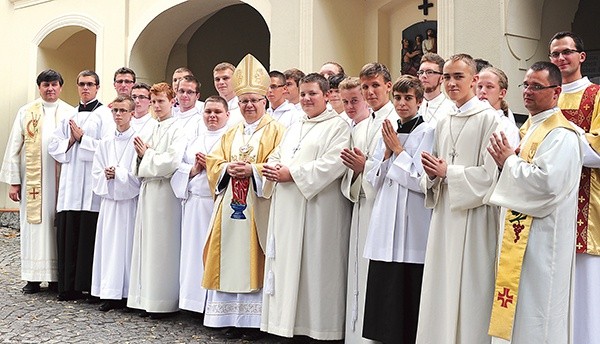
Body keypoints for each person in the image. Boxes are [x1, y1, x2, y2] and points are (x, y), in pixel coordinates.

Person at [486, 61, 581, 343]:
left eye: (537, 86)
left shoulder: (562, 135)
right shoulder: (529, 129)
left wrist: (509, 162)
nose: (528, 92)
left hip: (543, 244)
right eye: (525, 85)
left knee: (539, 313)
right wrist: (507, 165)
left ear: (556, 92)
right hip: (519, 241)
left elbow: (547, 187)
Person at [261, 73, 352, 341]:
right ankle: (285, 325)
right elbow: (278, 154)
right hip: (289, 209)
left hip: (319, 211)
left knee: (316, 269)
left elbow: (334, 163)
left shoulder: (338, 127)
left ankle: (318, 330)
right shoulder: (295, 125)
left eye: (313, 94)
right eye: (303, 94)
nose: (307, 99)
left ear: (326, 96)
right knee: (288, 268)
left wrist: (293, 174)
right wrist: (274, 166)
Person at [417, 54, 500, 344]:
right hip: (444, 216)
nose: (451, 83)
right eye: (448, 77)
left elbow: (491, 177)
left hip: (474, 218)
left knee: (470, 287)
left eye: (458, 77)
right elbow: (435, 169)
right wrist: (431, 175)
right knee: (442, 283)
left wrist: (448, 171)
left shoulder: (490, 119)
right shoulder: (443, 120)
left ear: (474, 80)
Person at [202, 54, 285, 341]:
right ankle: (230, 318)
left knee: (254, 255)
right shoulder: (232, 132)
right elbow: (214, 162)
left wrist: (253, 169)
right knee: (228, 255)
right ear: (238, 103)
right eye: (244, 101)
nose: (249, 105)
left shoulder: (277, 130)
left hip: (257, 205)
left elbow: (279, 160)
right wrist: (226, 168)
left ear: (265, 101)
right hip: (230, 206)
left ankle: (254, 321)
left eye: (254, 100)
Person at [363, 75, 434, 344]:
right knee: (385, 275)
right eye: (398, 98)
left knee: (409, 279)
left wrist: (397, 151)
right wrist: (385, 157)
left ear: (419, 101)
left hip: (412, 216)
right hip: (385, 212)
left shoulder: (428, 131)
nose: (402, 104)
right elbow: (374, 178)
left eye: (408, 99)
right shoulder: (389, 128)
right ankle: (382, 334)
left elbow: (420, 180)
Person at [340, 63, 399, 343]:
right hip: (363, 203)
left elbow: (397, 163)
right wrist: (357, 169)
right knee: (358, 271)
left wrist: (366, 167)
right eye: (365, 87)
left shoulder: (395, 120)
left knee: (373, 273)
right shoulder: (368, 122)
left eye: (375, 85)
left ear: (388, 85)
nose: (370, 91)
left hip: (384, 206)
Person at [0, 69, 74, 294]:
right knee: (34, 227)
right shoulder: (26, 112)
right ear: (39, 87)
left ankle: (56, 278)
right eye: (45, 85)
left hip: (62, 182)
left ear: (61, 87)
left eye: (54, 84)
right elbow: (14, 147)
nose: (50, 89)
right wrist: (14, 182)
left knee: (57, 226)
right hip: (33, 183)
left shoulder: (70, 112)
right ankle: (32, 278)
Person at [549, 31, 600, 344]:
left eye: (566, 52)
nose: (560, 59)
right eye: (555, 54)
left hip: (585, 201)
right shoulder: (546, 94)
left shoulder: (596, 95)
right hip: (550, 200)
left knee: (585, 286)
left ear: (581, 56)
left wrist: (559, 146)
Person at [48, 70, 114, 301]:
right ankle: (68, 286)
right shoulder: (69, 115)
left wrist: (83, 139)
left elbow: (108, 147)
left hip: (91, 186)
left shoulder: (106, 115)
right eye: (81, 84)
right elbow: (53, 145)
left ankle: (88, 286)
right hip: (71, 182)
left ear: (97, 87)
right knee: (68, 233)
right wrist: (70, 140)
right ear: (77, 87)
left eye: (90, 84)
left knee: (88, 234)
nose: (85, 88)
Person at [127, 82, 186, 319]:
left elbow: (173, 162)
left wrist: (146, 155)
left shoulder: (178, 129)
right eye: (153, 102)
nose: (156, 106)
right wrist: (142, 158)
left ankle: (163, 301)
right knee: (148, 245)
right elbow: (137, 164)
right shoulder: (151, 128)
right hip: (149, 191)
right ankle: (147, 298)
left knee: (163, 246)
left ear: (172, 101)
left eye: (161, 101)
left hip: (165, 195)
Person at [170, 96, 230, 316]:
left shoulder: (230, 139)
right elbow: (179, 169)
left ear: (227, 115)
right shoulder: (194, 140)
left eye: (217, 112)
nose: (212, 116)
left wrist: (212, 166)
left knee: (214, 255)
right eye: (208, 112)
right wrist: (194, 169)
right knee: (192, 254)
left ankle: (212, 305)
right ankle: (192, 303)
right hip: (194, 204)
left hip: (217, 204)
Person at [90, 96, 140, 312]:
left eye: (123, 110)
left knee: (128, 247)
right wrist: (105, 174)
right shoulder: (105, 142)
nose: (118, 114)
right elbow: (95, 171)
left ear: (132, 113)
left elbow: (139, 173)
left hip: (129, 204)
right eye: (115, 111)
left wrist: (118, 173)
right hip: (110, 203)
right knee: (109, 248)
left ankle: (129, 294)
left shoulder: (138, 139)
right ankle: (109, 293)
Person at [338, 76, 372, 343]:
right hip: (356, 202)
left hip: (371, 205)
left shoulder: (374, 125)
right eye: (346, 101)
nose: (350, 107)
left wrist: (363, 168)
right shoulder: (348, 127)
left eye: (355, 101)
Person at [476, 67, 520, 147]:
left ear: (502, 93)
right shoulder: (471, 120)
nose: (482, 91)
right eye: (479, 86)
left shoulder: (508, 128)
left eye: (489, 87)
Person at [417, 53, 456, 126]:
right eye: (421, 72)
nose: (424, 76)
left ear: (442, 78)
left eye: (429, 72)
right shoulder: (413, 106)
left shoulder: (451, 109)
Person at [175, 75, 206, 140]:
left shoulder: (201, 122)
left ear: (197, 96)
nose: (184, 95)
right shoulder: (171, 118)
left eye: (189, 92)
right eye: (181, 91)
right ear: (176, 93)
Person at [213, 62, 244, 126]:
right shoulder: (209, 108)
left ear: (235, 80)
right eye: (217, 79)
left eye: (225, 78)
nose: (221, 82)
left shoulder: (244, 107)